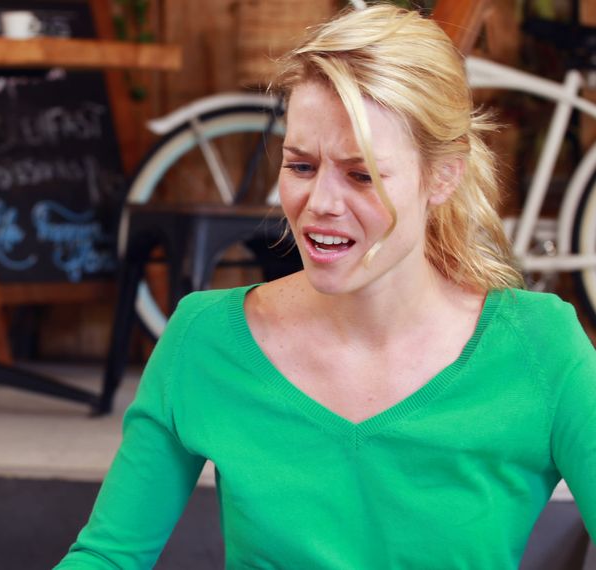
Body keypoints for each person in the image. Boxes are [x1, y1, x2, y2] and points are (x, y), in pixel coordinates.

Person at [56, 5, 595, 568]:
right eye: (302, 166)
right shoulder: (205, 337)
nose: (320, 205)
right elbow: (108, 557)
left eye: (361, 175)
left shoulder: (539, 348)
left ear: (443, 176)